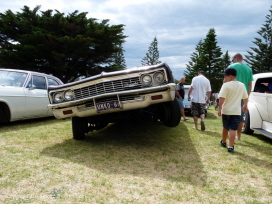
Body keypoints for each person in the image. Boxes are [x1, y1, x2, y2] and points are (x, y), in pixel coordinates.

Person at [218, 68, 248, 153]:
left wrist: (219, 108)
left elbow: (222, 98)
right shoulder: (242, 85)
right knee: (233, 129)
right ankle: (230, 147)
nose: (224, 78)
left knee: (225, 127)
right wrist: (245, 105)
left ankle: (223, 142)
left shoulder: (226, 85)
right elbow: (245, 97)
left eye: (225, 76)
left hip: (227, 110)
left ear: (230, 76)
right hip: (236, 111)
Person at [228, 53, 253, 140]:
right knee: (241, 117)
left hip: (232, 95)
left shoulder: (232, 66)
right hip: (243, 96)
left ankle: (231, 134)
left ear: (236, 58)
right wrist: (247, 96)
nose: (233, 60)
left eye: (233, 59)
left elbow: (226, 80)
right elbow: (250, 84)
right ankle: (238, 136)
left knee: (230, 115)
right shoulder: (249, 69)